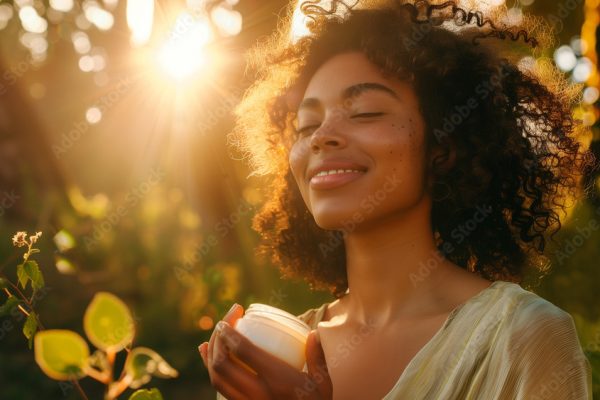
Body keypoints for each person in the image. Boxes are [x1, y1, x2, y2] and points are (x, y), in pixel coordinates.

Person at [198, 0, 596, 398]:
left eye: (366, 112)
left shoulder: (522, 337)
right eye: (307, 124)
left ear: (443, 146)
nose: (321, 137)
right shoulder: (274, 353)